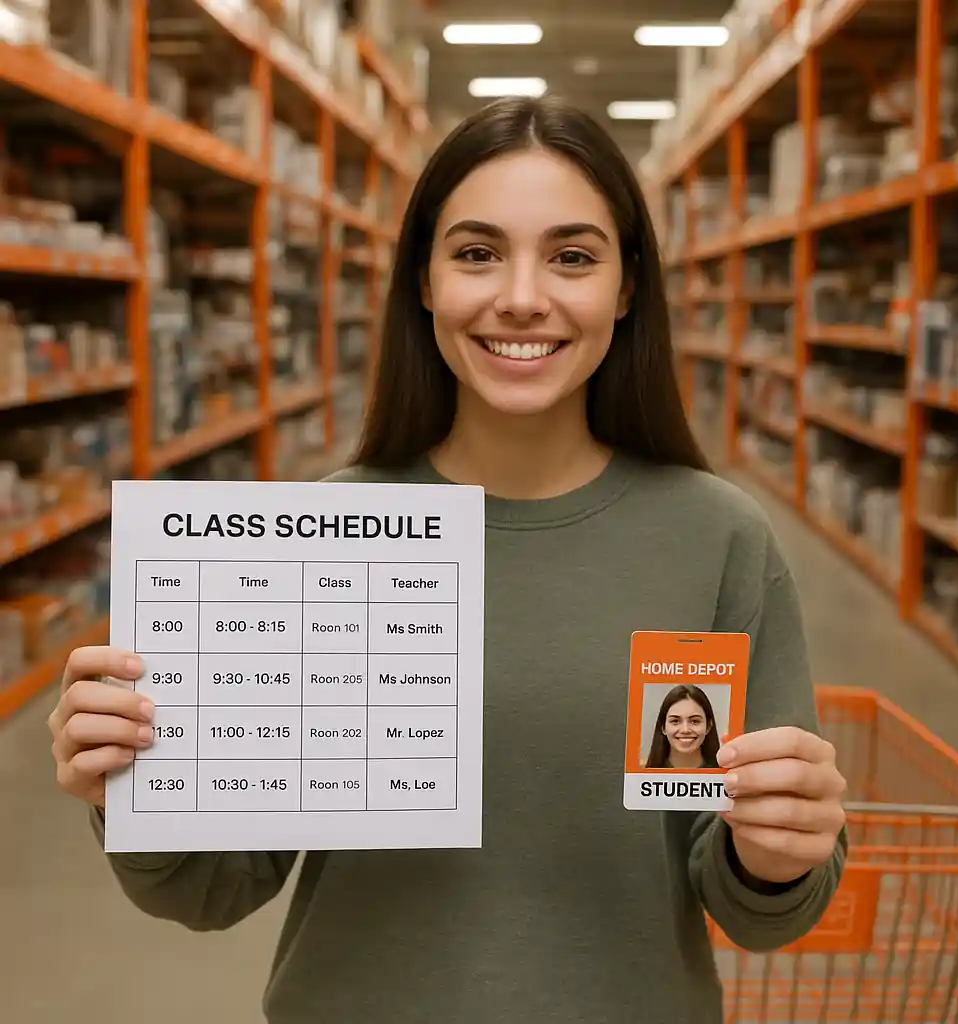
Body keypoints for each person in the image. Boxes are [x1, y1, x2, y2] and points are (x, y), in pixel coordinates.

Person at [49, 96, 847, 1023]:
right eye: (475, 253)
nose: (520, 295)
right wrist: (134, 784)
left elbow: (755, 910)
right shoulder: (311, 543)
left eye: (572, 256)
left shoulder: (718, 540)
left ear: (627, 288)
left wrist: (778, 850)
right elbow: (209, 890)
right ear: (423, 282)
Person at [645, 684, 721, 769]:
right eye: (675, 721)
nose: (685, 730)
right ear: (663, 727)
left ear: (708, 727)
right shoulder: (640, 777)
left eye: (695, 721)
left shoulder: (725, 777)